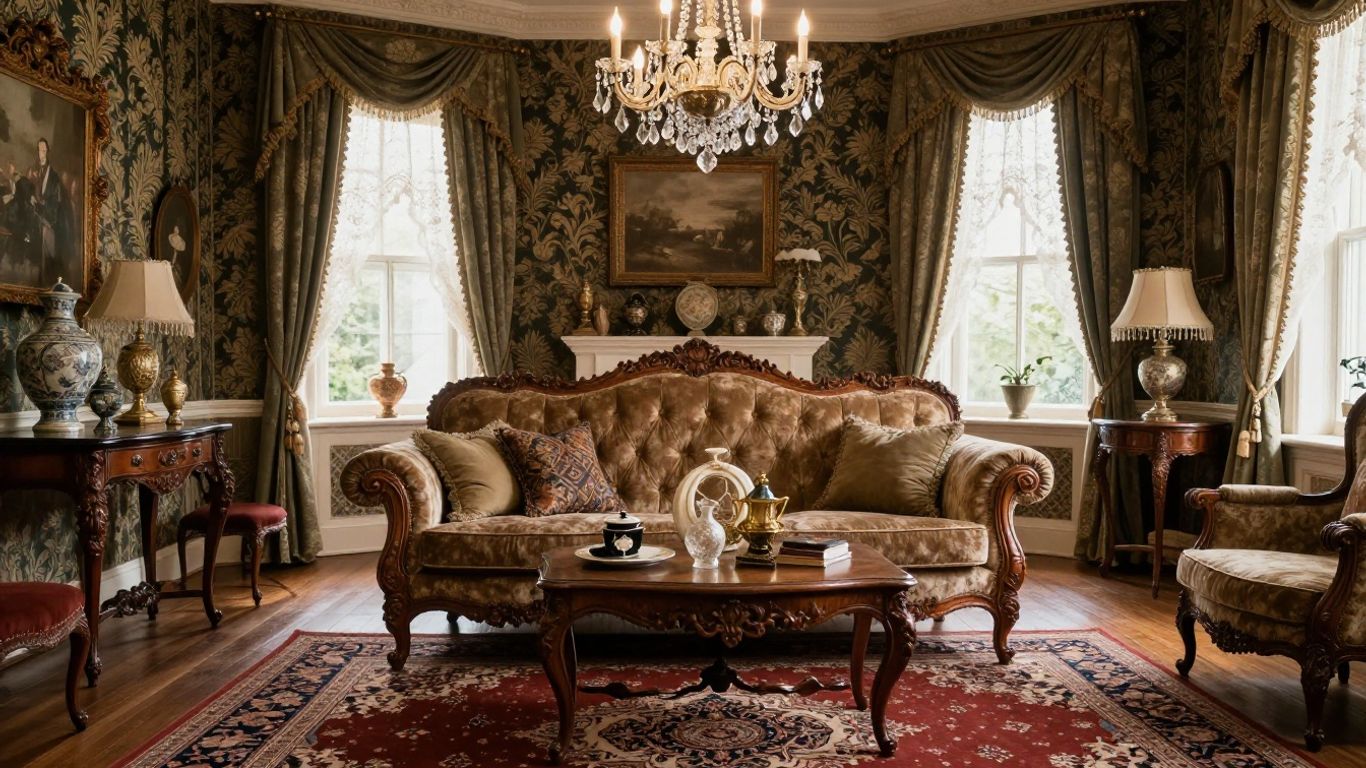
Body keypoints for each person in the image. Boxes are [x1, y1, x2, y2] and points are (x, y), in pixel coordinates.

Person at [29, 138, 73, 285]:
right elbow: (33, 191)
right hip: (38, 217)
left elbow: (55, 201)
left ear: (47, 151)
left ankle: (47, 282)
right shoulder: (36, 170)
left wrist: (43, 206)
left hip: (48, 219)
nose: (41, 153)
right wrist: (33, 199)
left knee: (48, 252)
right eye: (39, 149)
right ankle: (40, 281)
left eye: (43, 150)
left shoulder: (53, 176)